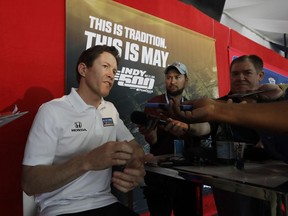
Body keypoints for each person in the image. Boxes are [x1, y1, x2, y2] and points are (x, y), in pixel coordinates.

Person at [21, 45, 147, 216]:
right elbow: (30, 182)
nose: (111, 74)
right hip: (61, 208)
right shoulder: (52, 110)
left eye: (115, 71)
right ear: (83, 69)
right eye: (105, 66)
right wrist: (87, 161)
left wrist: (134, 166)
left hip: (106, 201)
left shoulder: (110, 109)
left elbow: (136, 149)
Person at [168, 55, 287, 216]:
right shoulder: (218, 104)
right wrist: (188, 126)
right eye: (235, 74)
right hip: (230, 182)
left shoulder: (275, 101)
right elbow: (206, 126)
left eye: (247, 73)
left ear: (260, 75)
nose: (240, 78)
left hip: (274, 181)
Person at [138, 62, 210, 216]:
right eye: (169, 77)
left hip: (187, 172)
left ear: (186, 80)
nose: (172, 81)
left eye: (177, 77)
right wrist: (149, 133)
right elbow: (152, 141)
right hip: (160, 173)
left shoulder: (193, 106)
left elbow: (202, 133)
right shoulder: (154, 104)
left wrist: (187, 127)